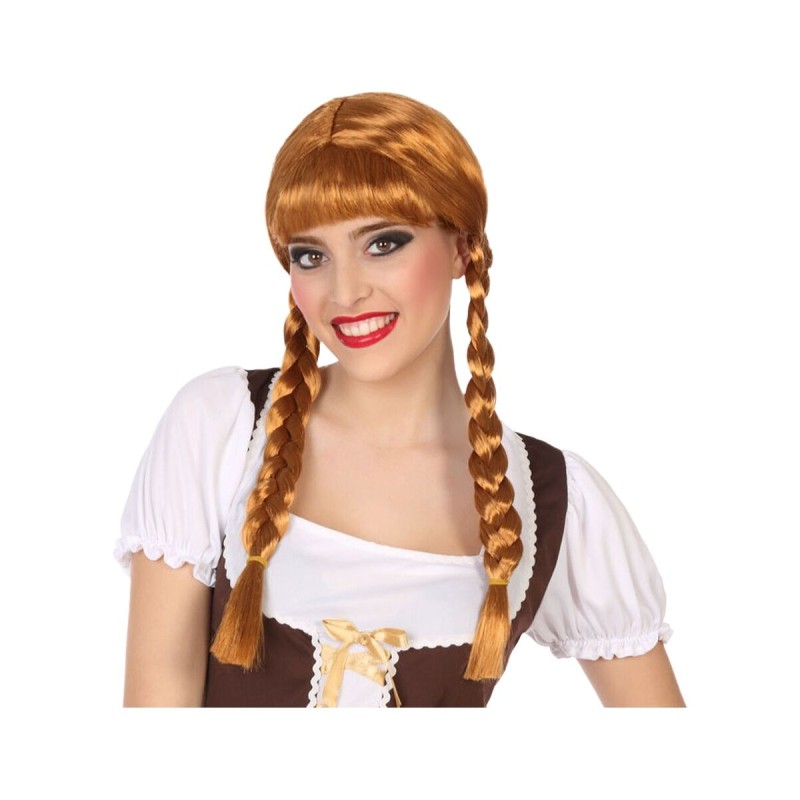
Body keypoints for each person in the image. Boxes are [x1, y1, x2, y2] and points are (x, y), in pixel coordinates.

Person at [115, 91, 685, 707]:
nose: (345, 292)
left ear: (462, 247)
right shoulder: (221, 426)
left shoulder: (552, 499)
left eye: (383, 243)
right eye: (312, 255)